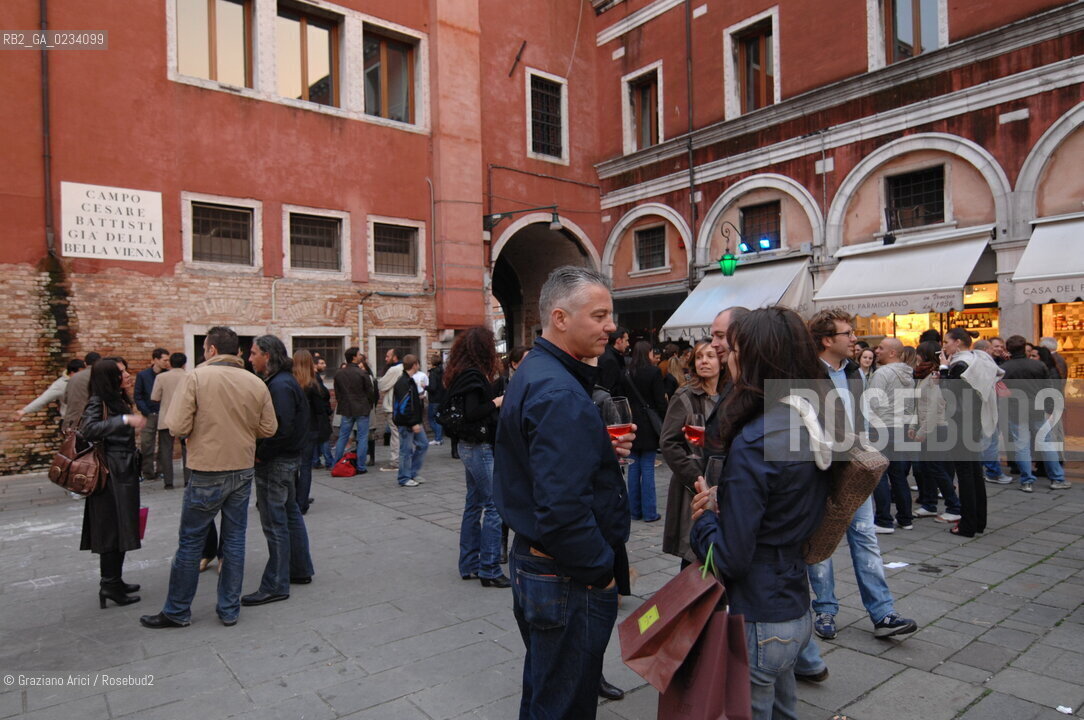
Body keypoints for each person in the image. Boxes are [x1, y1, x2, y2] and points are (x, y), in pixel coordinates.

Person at [494, 266, 634, 720]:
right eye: (599, 315)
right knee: (563, 702)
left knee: (546, 688)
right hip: (565, 572)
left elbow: (544, 464)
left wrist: (596, 447)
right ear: (560, 318)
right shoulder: (558, 390)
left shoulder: (540, 372)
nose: (611, 326)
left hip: (540, 562)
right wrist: (600, 572)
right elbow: (562, 509)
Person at [688, 307, 831, 720]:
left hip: (758, 615)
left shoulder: (756, 438)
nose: (728, 357)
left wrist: (704, 520)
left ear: (755, 359)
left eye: (734, 350)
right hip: (795, 605)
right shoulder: (809, 419)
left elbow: (730, 558)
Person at [794, 309, 917, 684]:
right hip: (820, 469)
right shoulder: (806, 373)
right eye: (847, 333)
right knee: (822, 543)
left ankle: (882, 613)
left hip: (854, 467)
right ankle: (825, 609)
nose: (854, 339)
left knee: (865, 537)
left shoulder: (852, 372)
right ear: (826, 340)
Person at [140, 327, 277, 629]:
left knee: (191, 542)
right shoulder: (255, 381)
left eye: (204, 348)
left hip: (207, 469)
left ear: (212, 350)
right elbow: (268, 428)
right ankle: (229, 609)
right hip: (242, 468)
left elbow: (177, 426)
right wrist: (241, 431)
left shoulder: (196, 377)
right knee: (235, 540)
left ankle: (177, 611)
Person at [242, 335, 315, 607]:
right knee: (290, 514)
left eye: (254, 353)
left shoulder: (280, 385)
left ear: (268, 356)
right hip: (286, 458)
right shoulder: (281, 381)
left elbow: (281, 429)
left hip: (277, 461)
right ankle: (299, 568)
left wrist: (261, 453)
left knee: (275, 522)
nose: (250, 359)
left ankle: (276, 584)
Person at [443, 327, 509, 587]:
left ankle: (469, 564)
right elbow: (473, 412)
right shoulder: (473, 375)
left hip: (468, 445)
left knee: (474, 503)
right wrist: (497, 401)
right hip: (478, 447)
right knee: (494, 505)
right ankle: (489, 569)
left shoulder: (461, 372)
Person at [81, 357, 145, 608]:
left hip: (123, 469)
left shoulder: (116, 399)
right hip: (110, 473)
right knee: (111, 527)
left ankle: (115, 580)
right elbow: (88, 429)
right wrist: (124, 421)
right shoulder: (98, 400)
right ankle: (109, 583)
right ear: (109, 378)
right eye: (121, 372)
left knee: (122, 526)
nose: (127, 375)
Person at [660, 339, 721, 565]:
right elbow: (669, 443)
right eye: (699, 357)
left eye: (710, 356)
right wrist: (696, 478)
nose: (704, 361)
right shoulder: (685, 395)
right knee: (696, 552)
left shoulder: (730, 395)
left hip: (724, 485)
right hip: (694, 487)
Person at [942, 327, 1002, 536]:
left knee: (966, 474)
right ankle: (978, 521)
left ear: (957, 342)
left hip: (960, 422)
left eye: (946, 342)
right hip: (974, 421)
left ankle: (968, 524)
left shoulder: (960, 364)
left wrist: (943, 369)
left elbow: (948, 394)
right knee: (974, 473)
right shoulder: (979, 360)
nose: (944, 346)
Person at [1001, 336, 1069, 492]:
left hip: (1015, 411)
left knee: (1021, 446)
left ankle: (1027, 481)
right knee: (1046, 443)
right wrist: (1050, 408)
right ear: (1025, 348)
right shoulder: (1038, 365)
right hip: (1037, 409)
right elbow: (1048, 388)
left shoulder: (1004, 368)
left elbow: (1001, 392)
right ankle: (1057, 478)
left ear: (1009, 349)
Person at [911, 341, 962, 522]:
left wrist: (923, 431)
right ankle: (929, 504)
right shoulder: (924, 375)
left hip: (936, 427)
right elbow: (920, 404)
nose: (916, 357)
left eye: (918, 353)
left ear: (924, 355)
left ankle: (954, 506)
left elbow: (935, 406)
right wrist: (914, 426)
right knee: (926, 468)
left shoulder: (934, 376)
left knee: (936, 468)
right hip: (927, 426)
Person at [868, 338, 915, 533]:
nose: (877, 351)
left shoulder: (882, 373)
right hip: (901, 427)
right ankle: (905, 518)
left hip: (882, 427)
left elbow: (872, 402)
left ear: (893, 353)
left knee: (879, 475)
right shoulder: (908, 374)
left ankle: (883, 520)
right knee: (899, 476)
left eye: (881, 348)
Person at [624, 340, 667, 522]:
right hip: (649, 424)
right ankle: (650, 512)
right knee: (648, 466)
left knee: (633, 466)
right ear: (647, 353)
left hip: (631, 423)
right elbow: (660, 401)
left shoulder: (627, 372)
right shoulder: (653, 372)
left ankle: (634, 510)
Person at [293, 349, 328, 514]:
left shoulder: (290, 383)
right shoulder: (312, 384)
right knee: (305, 466)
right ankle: (302, 501)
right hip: (309, 428)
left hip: (294, 429)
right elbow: (320, 408)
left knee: (294, 466)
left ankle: (295, 499)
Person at [333, 346, 375, 474]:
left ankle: (337, 464)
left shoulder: (339, 373)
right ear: (354, 357)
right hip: (361, 408)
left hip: (346, 408)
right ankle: (361, 466)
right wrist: (369, 404)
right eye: (358, 354)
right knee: (362, 437)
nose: (360, 356)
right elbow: (370, 393)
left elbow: (337, 393)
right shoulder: (362, 373)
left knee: (343, 436)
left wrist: (343, 403)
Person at [150, 352, 189, 489]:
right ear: (184, 364)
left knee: (166, 451)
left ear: (170, 363)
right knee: (187, 449)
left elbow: (155, 397)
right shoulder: (190, 376)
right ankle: (188, 480)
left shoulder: (161, 377)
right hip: (185, 418)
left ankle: (168, 482)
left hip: (166, 418)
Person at [134, 348, 171, 483]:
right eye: (164, 360)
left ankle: (162, 470)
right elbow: (138, 395)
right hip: (149, 414)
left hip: (164, 413)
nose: (167, 362)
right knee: (147, 443)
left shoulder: (168, 375)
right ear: (155, 360)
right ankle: (148, 471)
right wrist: (146, 411)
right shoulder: (143, 375)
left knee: (164, 444)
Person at [392, 354, 428, 487]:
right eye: (418, 364)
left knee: (423, 444)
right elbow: (404, 406)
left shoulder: (409, 380)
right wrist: (413, 423)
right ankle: (404, 477)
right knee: (406, 451)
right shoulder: (403, 382)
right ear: (414, 365)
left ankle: (412, 472)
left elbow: (410, 402)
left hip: (414, 420)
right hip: (407, 422)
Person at [13, 358, 83, 422]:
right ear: (72, 373)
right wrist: (24, 411)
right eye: (82, 373)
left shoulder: (85, 381)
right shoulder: (61, 385)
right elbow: (43, 399)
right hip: (71, 422)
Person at [377, 348, 404, 472]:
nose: (385, 359)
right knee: (403, 434)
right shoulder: (404, 367)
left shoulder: (394, 369)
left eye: (388, 356)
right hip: (402, 406)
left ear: (395, 357)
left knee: (396, 435)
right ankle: (404, 459)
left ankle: (395, 462)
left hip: (393, 406)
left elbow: (382, 385)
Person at [62, 351, 101, 432]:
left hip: (71, 422)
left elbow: (65, 399)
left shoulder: (73, 377)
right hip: (91, 423)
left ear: (85, 364)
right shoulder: (101, 376)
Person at [311, 354, 336, 468]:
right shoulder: (315, 378)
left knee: (317, 438)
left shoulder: (315, 377)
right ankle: (329, 461)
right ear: (314, 365)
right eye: (321, 363)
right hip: (320, 413)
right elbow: (322, 394)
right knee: (324, 437)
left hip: (316, 413)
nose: (324, 365)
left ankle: (316, 460)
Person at [597, 326, 629, 395]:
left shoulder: (611, 355)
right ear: (619, 341)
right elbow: (610, 389)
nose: (628, 344)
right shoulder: (610, 360)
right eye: (626, 340)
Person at [427, 352, 446, 445]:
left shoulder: (433, 373)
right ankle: (439, 438)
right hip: (442, 399)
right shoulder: (443, 372)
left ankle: (438, 438)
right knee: (438, 418)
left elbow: (433, 388)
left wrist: (425, 387)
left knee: (431, 419)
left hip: (434, 400)